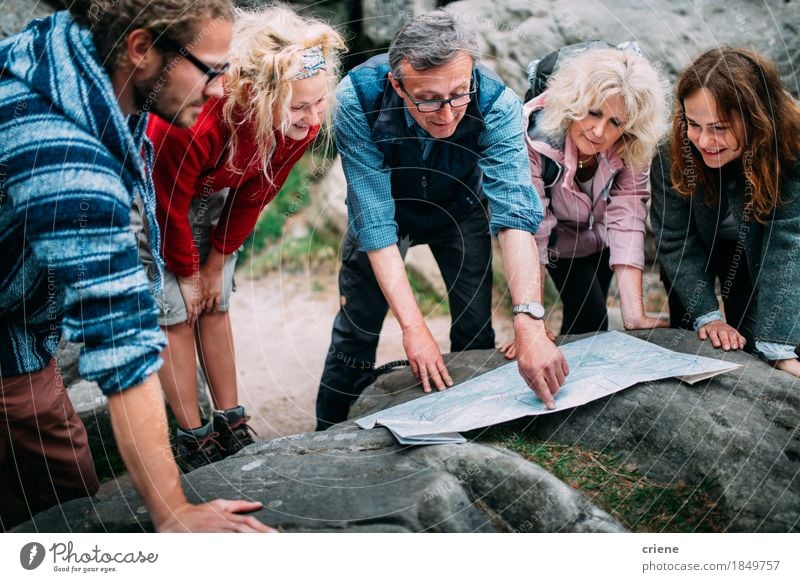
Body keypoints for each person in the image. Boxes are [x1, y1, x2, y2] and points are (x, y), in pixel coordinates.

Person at [0, 0, 271, 532]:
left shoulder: (63, 50)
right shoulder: (67, 165)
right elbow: (122, 344)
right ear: (142, 48)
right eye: (212, 71)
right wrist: (173, 511)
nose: (220, 90)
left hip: (20, 311)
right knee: (67, 489)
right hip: (12, 332)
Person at [315, 10, 568, 430]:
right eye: (428, 98)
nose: (447, 114)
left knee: (474, 328)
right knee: (356, 332)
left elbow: (515, 215)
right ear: (397, 83)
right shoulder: (356, 97)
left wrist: (529, 319)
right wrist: (413, 328)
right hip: (386, 207)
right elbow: (375, 224)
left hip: (460, 208)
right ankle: (326, 435)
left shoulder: (496, 102)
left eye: (458, 94)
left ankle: (483, 426)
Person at [144, 6, 345, 471]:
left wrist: (216, 261)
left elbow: (258, 190)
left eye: (320, 103)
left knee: (216, 303)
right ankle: (193, 438)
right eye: (300, 106)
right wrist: (187, 271)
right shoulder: (195, 120)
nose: (314, 119)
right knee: (176, 312)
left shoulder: (299, 121)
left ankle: (230, 421)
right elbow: (167, 204)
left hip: (217, 189)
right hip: (155, 196)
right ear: (257, 93)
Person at [501, 48, 668, 359]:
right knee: (592, 316)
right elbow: (532, 226)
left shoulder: (634, 141)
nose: (598, 131)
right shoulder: (532, 136)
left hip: (603, 235)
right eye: (593, 112)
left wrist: (634, 314)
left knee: (588, 316)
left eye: (615, 122)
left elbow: (628, 210)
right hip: (558, 240)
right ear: (573, 102)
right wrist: (530, 321)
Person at [651, 47, 800, 376]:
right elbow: (675, 240)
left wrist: (778, 346)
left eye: (719, 128)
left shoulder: (791, 144)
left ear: (756, 118)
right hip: (697, 249)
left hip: (761, 246)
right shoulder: (668, 151)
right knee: (698, 337)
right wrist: (709, 315)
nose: (704, 140)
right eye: (693, 124)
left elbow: (787, 241)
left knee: (758, 340)